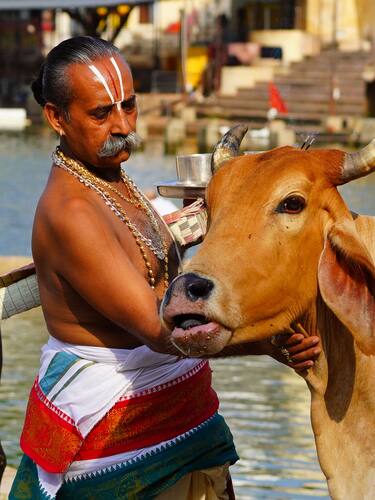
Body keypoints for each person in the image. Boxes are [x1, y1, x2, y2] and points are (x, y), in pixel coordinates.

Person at [10, 36, 320, 499]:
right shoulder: (70, 212)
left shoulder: (110, 178)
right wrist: (267, 341)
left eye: (129, 106)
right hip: (115, 433)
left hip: (181, 413)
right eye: (101, 114)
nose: (123, 125)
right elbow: (161, 330)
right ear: (57, 118)